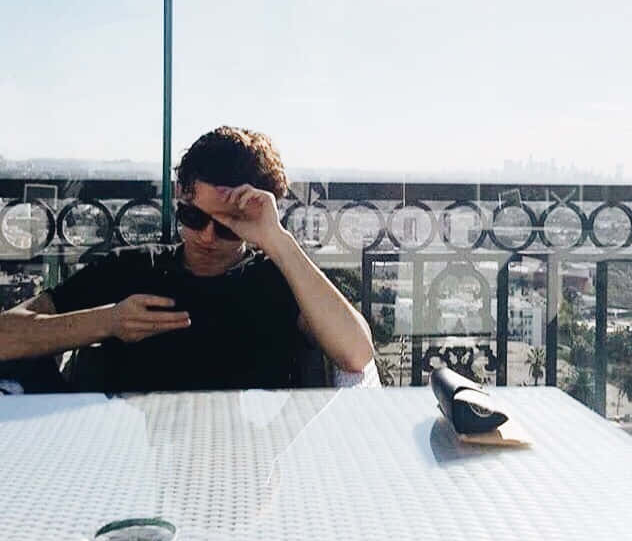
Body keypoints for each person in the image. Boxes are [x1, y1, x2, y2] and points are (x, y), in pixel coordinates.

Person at [0, 126, 374, 392]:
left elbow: (356, 354)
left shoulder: (279, 279)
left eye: (227, 226)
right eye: (193, 217)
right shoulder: (130, 269)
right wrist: (108, 321)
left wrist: (277, 240)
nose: (207, 236)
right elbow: (6, 335)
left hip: (244, 464)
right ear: (181, 196)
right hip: (133, 468)